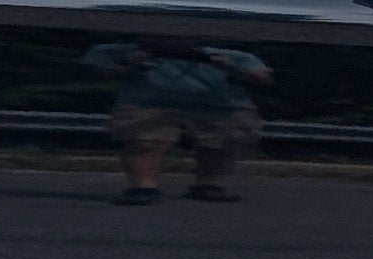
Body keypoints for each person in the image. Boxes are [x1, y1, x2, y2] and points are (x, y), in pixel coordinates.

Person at [86, 39, 270, 203]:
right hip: (148, 102)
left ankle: (208, 185)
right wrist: (130, 62)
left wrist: (228, 66)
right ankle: (143, 187)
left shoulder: (231, 55)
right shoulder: (126, 51)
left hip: (221, 105)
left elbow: (262, 78)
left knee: (219, 146)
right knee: (144, 143)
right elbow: (100, 72)